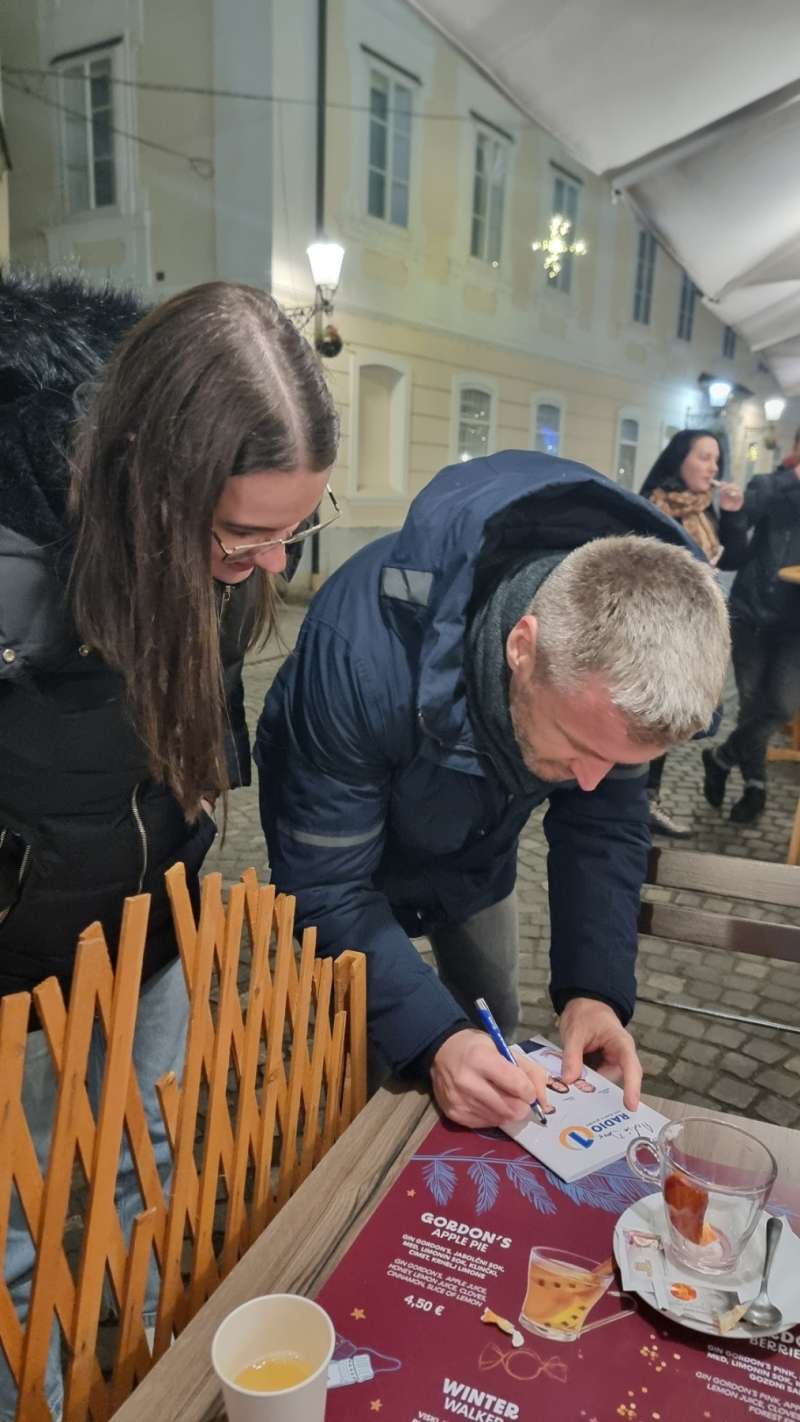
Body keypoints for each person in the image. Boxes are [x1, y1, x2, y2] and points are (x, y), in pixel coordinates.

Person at [0, 271, 339, 1421]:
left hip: (155, 921)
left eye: (296, 531)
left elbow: (203, 727)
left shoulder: (228, 559)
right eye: (243, 535)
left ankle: (158, 1372)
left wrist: (191, 837)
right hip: (15, 968)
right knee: (18, 1220)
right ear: (147, 482)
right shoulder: (15, 571)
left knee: (150, 1153)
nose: (270, 567)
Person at [256, 451, 729, 1134]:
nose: (593, 781)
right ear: (522, 647)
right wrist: (436, 1039)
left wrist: (595, 992)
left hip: (473, 857)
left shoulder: (604, 684)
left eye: (620, 763)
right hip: (353, 857)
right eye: (579, 751)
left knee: (492, 1021)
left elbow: (602, 832)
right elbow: (326, 886)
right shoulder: (362, 649)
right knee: (354, 1060)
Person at [638, 430, 747, 837]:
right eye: (704, 457)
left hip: (692, 630)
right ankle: (631, 804)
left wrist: (734, 514)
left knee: (670, 721)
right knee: (648, 715)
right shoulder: (654, 505)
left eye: (716, 459)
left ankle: (647, 799)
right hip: (655, 628)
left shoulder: (704, 508)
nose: (713, 467)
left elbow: (733, 558)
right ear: (679, 460)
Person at [702, 427, 800, 822]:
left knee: (780, 707)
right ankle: (755, 789)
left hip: (797, 624)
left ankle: (721, 757)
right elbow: (741, 522)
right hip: (756, 611)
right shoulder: (771, 484)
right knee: (752, 705)